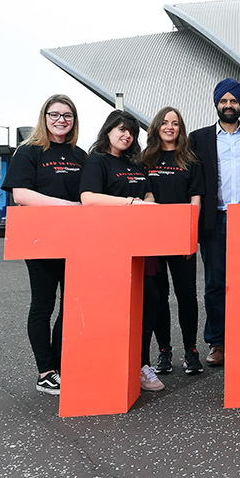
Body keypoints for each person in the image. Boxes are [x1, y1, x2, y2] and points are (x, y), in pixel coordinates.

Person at [1, 94, 87, 396]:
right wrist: (69, 206)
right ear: (45, 116)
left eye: (68, 115)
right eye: (55, 114)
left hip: (74, 241)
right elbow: (21, 195)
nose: (61, 120)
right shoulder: (30, 151)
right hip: (40, 240)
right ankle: (46, 371)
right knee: (43, 304)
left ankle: (62, 365)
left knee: (70, 306)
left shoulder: (80, 155)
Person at [79, 110, 164, 392]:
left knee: (149, 300)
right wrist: (130, 203)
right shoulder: (96, 162)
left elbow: (149, 193)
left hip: (142, 243)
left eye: (131, 131)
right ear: (108, 131)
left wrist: (147, 201)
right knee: (115, 304)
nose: (126, 135)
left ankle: (141, 363)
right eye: (121, 129)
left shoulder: (135, 163)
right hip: (110, 245)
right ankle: (111, 365)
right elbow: (88, 198)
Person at [189, 78, 240, 367]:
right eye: (224, 101)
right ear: (217, 104)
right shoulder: (199, 138)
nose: (228, 105)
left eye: (233, 101)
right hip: (215, 218)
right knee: (215, 283)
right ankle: (218, 342)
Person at [142, 106, 205, 376]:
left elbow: (196, 200)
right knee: (158, 297)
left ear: (181, 129)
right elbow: (143, 194)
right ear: (156, 127)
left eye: (175, 123)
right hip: (153, 240)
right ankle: (164, 351)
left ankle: (191, 350)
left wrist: (192, 236)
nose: (170, 127)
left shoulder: (190, 159)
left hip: (181, 238)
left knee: (186, 295)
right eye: (165, 122)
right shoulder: (145, 159)